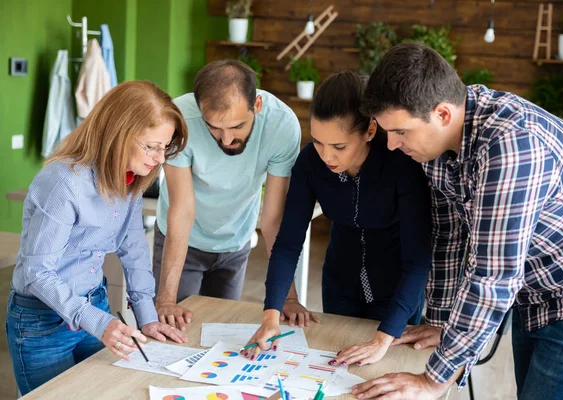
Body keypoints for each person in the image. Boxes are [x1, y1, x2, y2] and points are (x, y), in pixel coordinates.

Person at [353, 42, 563, 400]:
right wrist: (440, 320)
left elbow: (493, 278)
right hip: (538, 293)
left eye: (401, 132)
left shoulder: (512, 147)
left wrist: (433, 381)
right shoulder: (437, 146)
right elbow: (448, 235)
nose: (391, 145)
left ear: (441, 114)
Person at [6, 81, 189, 395]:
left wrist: (147, 317)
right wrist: (98, 322)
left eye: (164, 147)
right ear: (117, 134)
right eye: (151, 146)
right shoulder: (63, 181)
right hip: (42, 323)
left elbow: (133, 248)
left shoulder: (130, 178)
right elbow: (37, 271)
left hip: (96, 307)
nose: (160, 159)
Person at [246, 71, 431, 365]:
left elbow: (418, 260)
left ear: (370, 130)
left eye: (339, 147)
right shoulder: (309, 163)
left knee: (382, 373)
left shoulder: (402, 165)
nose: (326, 156)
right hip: (339, 285)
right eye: (319, 142)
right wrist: (271, 316)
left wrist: (384, 339)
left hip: (397, 291)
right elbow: (288, 243)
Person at [153, 60, 317, 330]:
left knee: (219, 331)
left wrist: (288, 297)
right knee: (173, 329)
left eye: (237, 127)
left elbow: (274, 218)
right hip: (182, 240)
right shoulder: (179, 119)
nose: (226, 140)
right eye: (214, 128)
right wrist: (166, 299)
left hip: (235, 242)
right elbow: (182, 211)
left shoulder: (281, 125)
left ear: (258, 106)